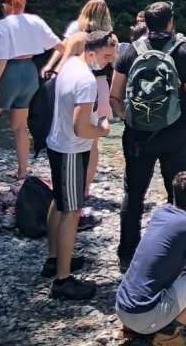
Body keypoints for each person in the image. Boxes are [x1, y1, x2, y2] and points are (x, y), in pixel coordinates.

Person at [111, 1, 186, 271]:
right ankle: (176, 254)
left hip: (137, 136)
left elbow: (114, 96)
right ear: (170, 22)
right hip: (176, 134)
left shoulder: (130, 52)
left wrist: (129, 118)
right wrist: (183, 90)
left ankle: (127, 255)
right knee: (178, 194)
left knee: (134, 194)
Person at [43, 30, 117, 300]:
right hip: (71, 150)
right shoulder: (86, 80)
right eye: (106, 56)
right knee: (71, 212)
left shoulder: (71, 63)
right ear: (92, 51)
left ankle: (55, 259)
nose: (109, 62)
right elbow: (81, 128)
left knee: (59, 202)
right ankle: (63, 281)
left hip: (57, 143)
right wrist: (104, 129)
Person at [116, 169, 186, 346]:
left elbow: (163, 256)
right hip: (144, 318)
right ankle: (168, 335)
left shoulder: (162, 213)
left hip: (123, 310)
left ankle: (138, 328)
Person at [40, 0, 115, 228]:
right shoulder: (109, 36)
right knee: (92, 141)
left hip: (73, 88)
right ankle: (84, 188)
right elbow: (116, 65)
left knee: (74, 133)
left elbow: (62, 63)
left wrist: (50, 69)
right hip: (99, 85)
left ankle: (72, 190)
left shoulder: (76, 33)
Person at [0, 0, 61, 179]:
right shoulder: (35, 21)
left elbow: (3, 56)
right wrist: (56, 65)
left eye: (4, 3)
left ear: (10, 5)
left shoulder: (4, 24)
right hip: (30, 72)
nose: (2, 6)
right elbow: (60, 46)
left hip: (10, 72)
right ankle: (23, 171)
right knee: (20, 126)